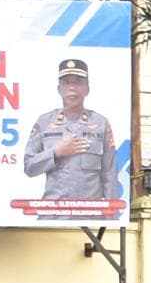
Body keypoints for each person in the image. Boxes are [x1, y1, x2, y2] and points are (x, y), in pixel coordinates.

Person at [20, 57, 121, 205]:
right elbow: (29, 167)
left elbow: (109, 174)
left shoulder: (100, 123)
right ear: (59, 89)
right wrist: (56, 152)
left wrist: (112, 216)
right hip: (53, 212)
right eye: (66, 83)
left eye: (78, 82)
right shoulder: (44, 122)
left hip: (90, 211)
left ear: (87, 89)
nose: (72, 88)